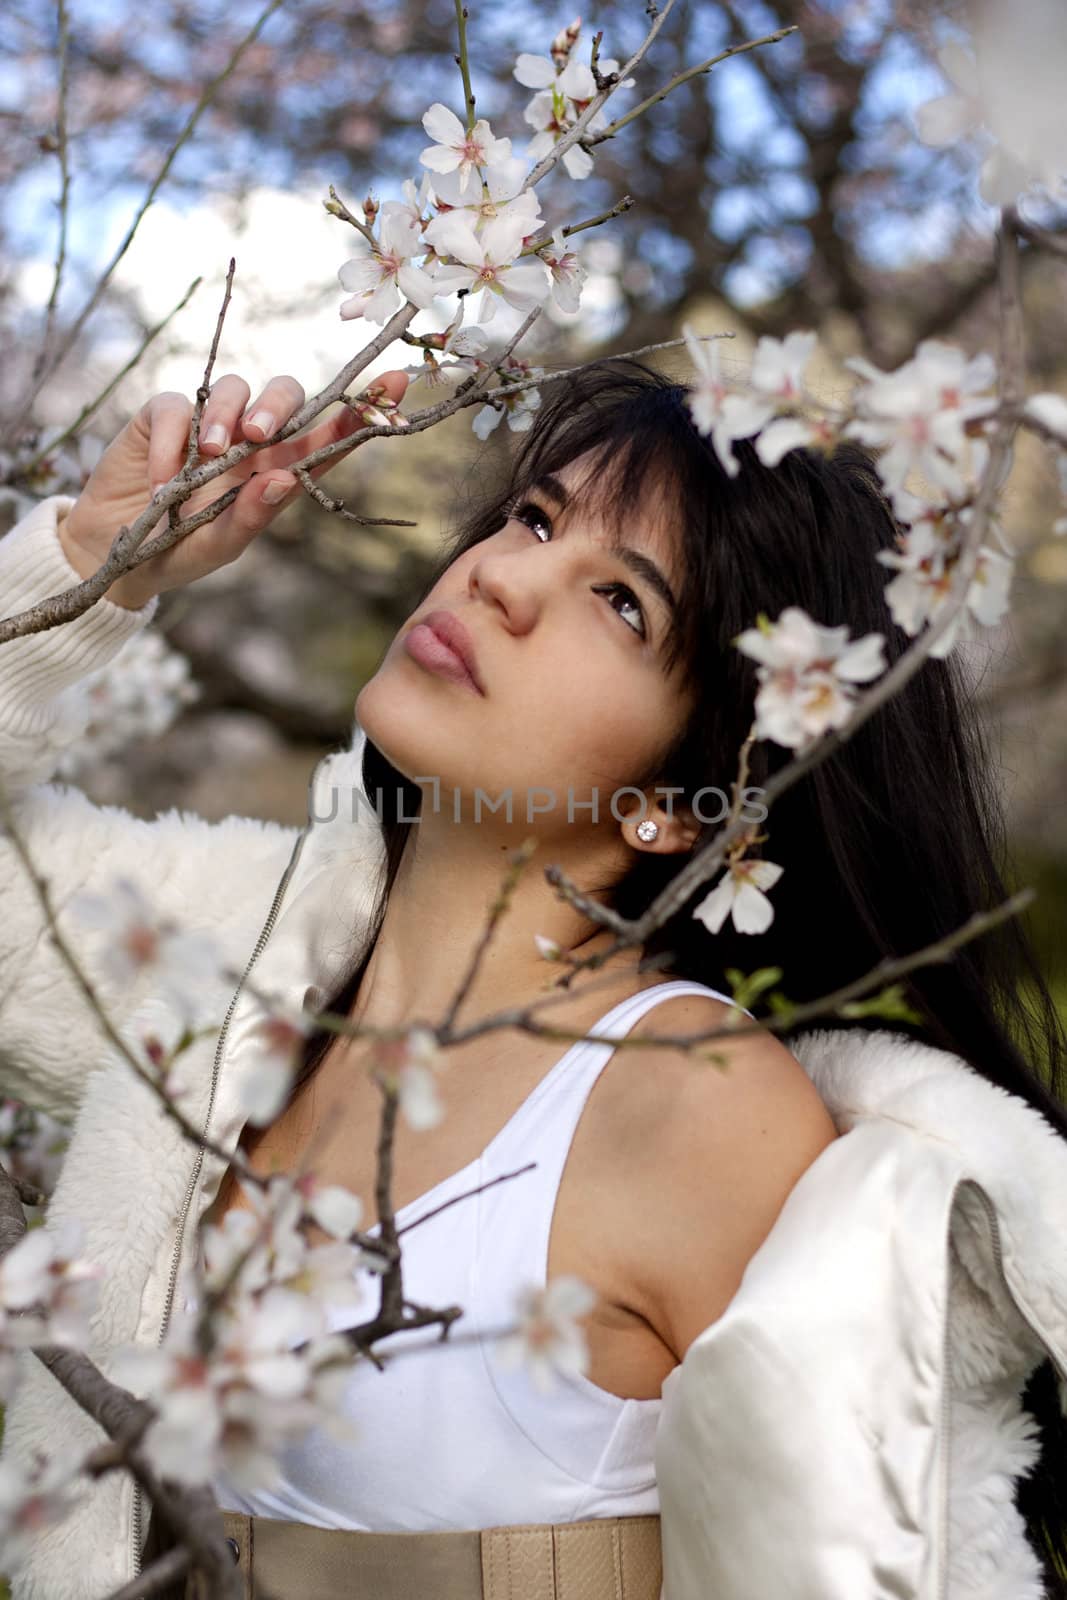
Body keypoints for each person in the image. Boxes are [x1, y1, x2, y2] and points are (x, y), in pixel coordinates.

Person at [0, 358, 1065, 1600]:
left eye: (619, 603)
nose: (500, 579)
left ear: (683, 803)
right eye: (535, 518)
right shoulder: (225, 968)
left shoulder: (690, 1105)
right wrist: (96, 562)